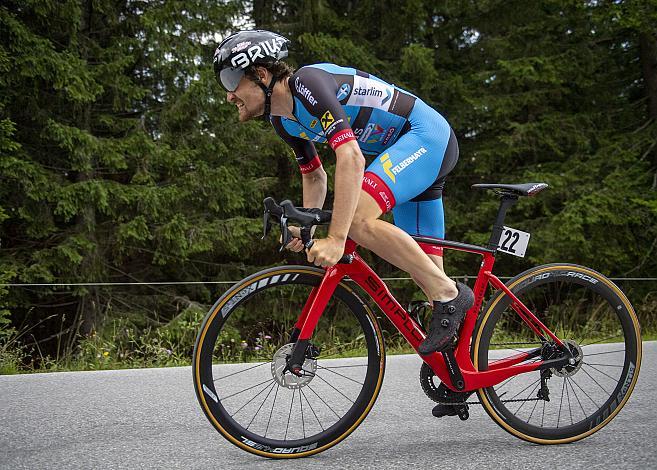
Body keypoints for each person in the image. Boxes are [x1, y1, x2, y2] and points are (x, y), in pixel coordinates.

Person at [213, 30, 474, 374]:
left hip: (423, 136)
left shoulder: (306, 84)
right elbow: (314, 175)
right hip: (399, 154)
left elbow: (350, 155)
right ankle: (461, 373)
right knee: (429, 276)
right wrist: (303, 223)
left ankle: (453, 295)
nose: (229, 95)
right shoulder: (283, 121)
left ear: (261, 75)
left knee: (356, 222)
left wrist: (336, 238)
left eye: (231, 80)